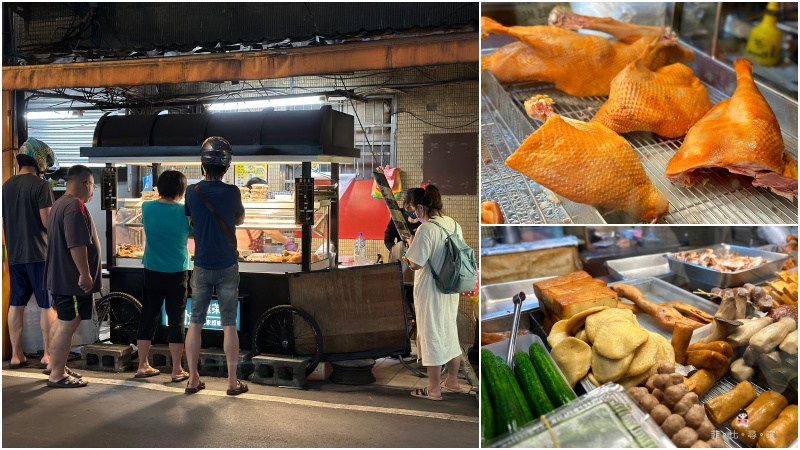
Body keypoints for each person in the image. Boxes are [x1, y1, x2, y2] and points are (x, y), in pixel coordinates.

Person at [183, 136, 248, 395]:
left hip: (200, 265)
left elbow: (190, 222)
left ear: (202, 164)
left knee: (195, 322)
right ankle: (232, 382)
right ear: (226, 167)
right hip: (227, 265)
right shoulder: (232, 192)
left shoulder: (192, 191)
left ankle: (192, 379)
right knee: (229, 324)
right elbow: (240, 220)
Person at [402, 185, 464, 400]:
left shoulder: (426, 229)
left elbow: (415, 264)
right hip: (450, 288)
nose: (411, 214)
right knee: (449, 333)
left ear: (420, 207)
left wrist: (410, 245)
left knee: (432, 337)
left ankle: (434, 389)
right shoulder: (453, 224)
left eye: (411, 209)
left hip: (431, 291)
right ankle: (453, 381)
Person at [2, 137, 58, 370]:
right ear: (40, 161)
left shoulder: (7, 186)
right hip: (40, 255)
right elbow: (47, 222)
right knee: (47, 305)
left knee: (16, 304)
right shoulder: (41, 186)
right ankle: (47, 354)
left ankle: (16, 355)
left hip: (15, 256)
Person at [43, 164, 101, 388]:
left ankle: (54, 365)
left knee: (64, 320)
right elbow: (76, 243)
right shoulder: (75, 206)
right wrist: (85, 274)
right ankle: (57, 374)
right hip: (72, 280)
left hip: (61, 278)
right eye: (93, 185)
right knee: (69, 323)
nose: (93, 191)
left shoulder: (59, 203)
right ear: (86, 183)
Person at [134, 170, 191, 382]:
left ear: (159, 187)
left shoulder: (147, 207)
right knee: (176, 320)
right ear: (181, 190)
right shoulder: (185, 211)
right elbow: (193, 231)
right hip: (177, 271)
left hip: (152, 269)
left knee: (148, 315)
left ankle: (142, 365)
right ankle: (177, 370)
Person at [236, 177, 296, 253]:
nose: (265, 193)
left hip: (239, 248)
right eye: (264, 191)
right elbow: (270, 231)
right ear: (257, 191)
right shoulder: (255, 208)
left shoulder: (244, 204)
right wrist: (287, 242)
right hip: (247, 251)